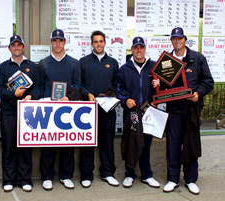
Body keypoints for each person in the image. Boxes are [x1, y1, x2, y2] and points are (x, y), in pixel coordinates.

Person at [159, 27, 214, 194]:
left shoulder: (197, 58)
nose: (176, 41)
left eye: (179, 38)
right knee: (173, 146)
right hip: (174, 111)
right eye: (174, 38)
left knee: (191, 145)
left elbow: (208, 82)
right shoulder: (166, 61)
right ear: (171, 41)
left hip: (191, 110)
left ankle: (190, 180)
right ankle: (173, 179)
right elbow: (162, 87)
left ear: (185, 40)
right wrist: (157, 85)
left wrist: (198, 94)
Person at [0, 35, 40, 192]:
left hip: (27, 112)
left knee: (25, 147)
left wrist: (31, 96)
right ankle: (8, 180)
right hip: (9, 112)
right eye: (13, 45)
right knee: (9, 147)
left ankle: (25, 179)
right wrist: (13, 95)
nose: (16, 47)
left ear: (23, 47)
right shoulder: (3, 67)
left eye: (19, 45)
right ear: (9, 48)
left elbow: (39, 87)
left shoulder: (33, 66)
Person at [38, 29, 81, 190]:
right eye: (55, 40)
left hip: (68, 108)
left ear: (64, 42)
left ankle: (66, 175)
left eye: (60, 40)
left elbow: (77, 85)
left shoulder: (74, 63)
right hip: (49, 108)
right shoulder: (43, 63)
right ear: (51, 42)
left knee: (67, 143)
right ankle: (47, 176)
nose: (57, 43)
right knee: (48, 143)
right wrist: (44, 100)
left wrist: (68, 97)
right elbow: (41, 86)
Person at [117, 36, 160, 189]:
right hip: (131, 112)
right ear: (132, 49)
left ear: (145, 48)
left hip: (149, 111)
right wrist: (126, 99)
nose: (139, 50)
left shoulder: (154, 66)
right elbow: (119, 89)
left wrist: (158, 85)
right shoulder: (124, 68)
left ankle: (147, 175)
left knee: (146, 144)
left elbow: (164, 88)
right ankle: (129, 174)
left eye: (141, 47)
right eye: (136, 47)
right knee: (131, 143)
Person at [78, 30, 120, 188]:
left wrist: (114, 94)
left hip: (108, 109)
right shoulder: (83, 62)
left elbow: (117, 84)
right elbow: (78, 83)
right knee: (88, 142)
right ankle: (86, 174)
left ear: (105, 43)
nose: (98, 44)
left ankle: (108, 173)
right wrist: (87, 93)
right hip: (88, 108)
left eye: (101, 41)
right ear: (91, 44)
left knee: (107, 141)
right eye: (95, 42)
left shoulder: (113, 62)